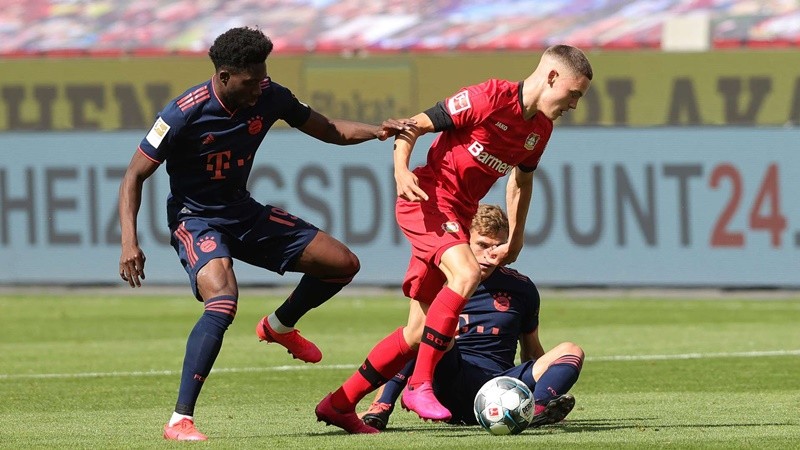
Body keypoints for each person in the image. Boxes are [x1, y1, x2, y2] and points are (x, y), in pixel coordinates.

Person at [118, 26, 413, 441]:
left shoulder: (270, 94)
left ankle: (280, 325)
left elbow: (328, 128)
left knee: (342, 264)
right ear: (223, 76)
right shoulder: (182, 112)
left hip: (242, 211)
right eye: (250, 80)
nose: (260, 86)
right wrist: (130, 241)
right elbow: (134, 174)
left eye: (262, 76)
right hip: (196, 218)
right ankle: (180, 419)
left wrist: (379, 131)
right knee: (223, 300)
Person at [316, 45, 592, 433]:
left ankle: (339, 404)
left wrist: (516, 236)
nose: (574, 105)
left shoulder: (539, 130)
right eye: (574, 93)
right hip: (429, 201)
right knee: (464, 275)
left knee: (417, 330)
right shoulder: (489, 97)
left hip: (458, 217)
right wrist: (401, 171)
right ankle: (419, 385)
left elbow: (522, 180)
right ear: (551, 77)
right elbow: (410, 126)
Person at [359, 204, 584, 430]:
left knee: (571, 350)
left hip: (501, 386)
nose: (490, 255)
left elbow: (532, 350)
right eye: (482, 245)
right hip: (452, 380)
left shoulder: (522, 288)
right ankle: (380, 408)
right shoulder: (439, 281)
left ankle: (537, 410)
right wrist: (379, 398)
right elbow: (411, 342)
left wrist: (547, 381)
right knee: (422, 331)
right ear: (464, 240)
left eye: (498, 246)